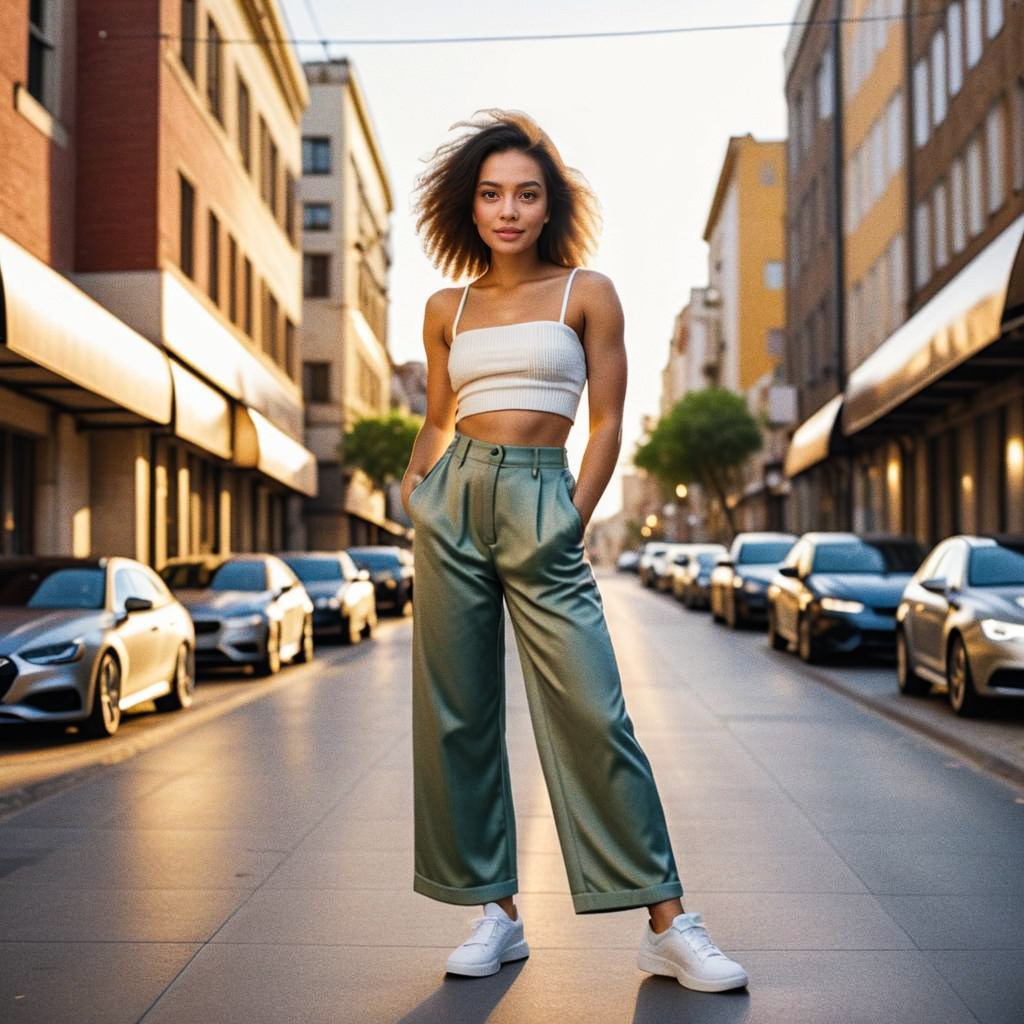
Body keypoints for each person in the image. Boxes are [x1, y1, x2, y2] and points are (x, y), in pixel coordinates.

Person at [401, 109, 747, 994]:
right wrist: (417, 496)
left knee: (594, 710)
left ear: (549, 204)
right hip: (455, 499)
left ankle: (666, 923)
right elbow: (437, 418)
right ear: (468, 207)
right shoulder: (448, 307)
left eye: (525, 193)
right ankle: (496, 913)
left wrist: (574, 513)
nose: (508, 209)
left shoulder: (585, 292)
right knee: (459, 713)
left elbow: (605, 423)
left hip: (542, 494)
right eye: (491, 194)